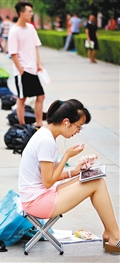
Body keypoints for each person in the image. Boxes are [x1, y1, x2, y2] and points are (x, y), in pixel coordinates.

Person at [19, 99, 120, 254]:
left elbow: (49, 176)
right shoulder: (47, 141)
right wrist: (66, 156)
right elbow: (47, 181)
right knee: (96, 183)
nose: (78, 131)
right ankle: (114, 235)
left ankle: (110, 232)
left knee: (94, 179)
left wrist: (76, 171)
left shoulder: (47, 135)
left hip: (39, 195)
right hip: (37, 201)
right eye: (78, 126)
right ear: (66, 122)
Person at [8, 1, 44, 127]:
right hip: (22, 70)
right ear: (21, 13)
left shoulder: (31, 28)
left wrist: (39, 64)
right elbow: (13, 53)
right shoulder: (14, 31)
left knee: (41, 96)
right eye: (29, 12)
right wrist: (21, 70)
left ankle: (39, 124)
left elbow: (35, 47)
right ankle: (22, 125)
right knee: (22, 98)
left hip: (33, 69)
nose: (31, 14)